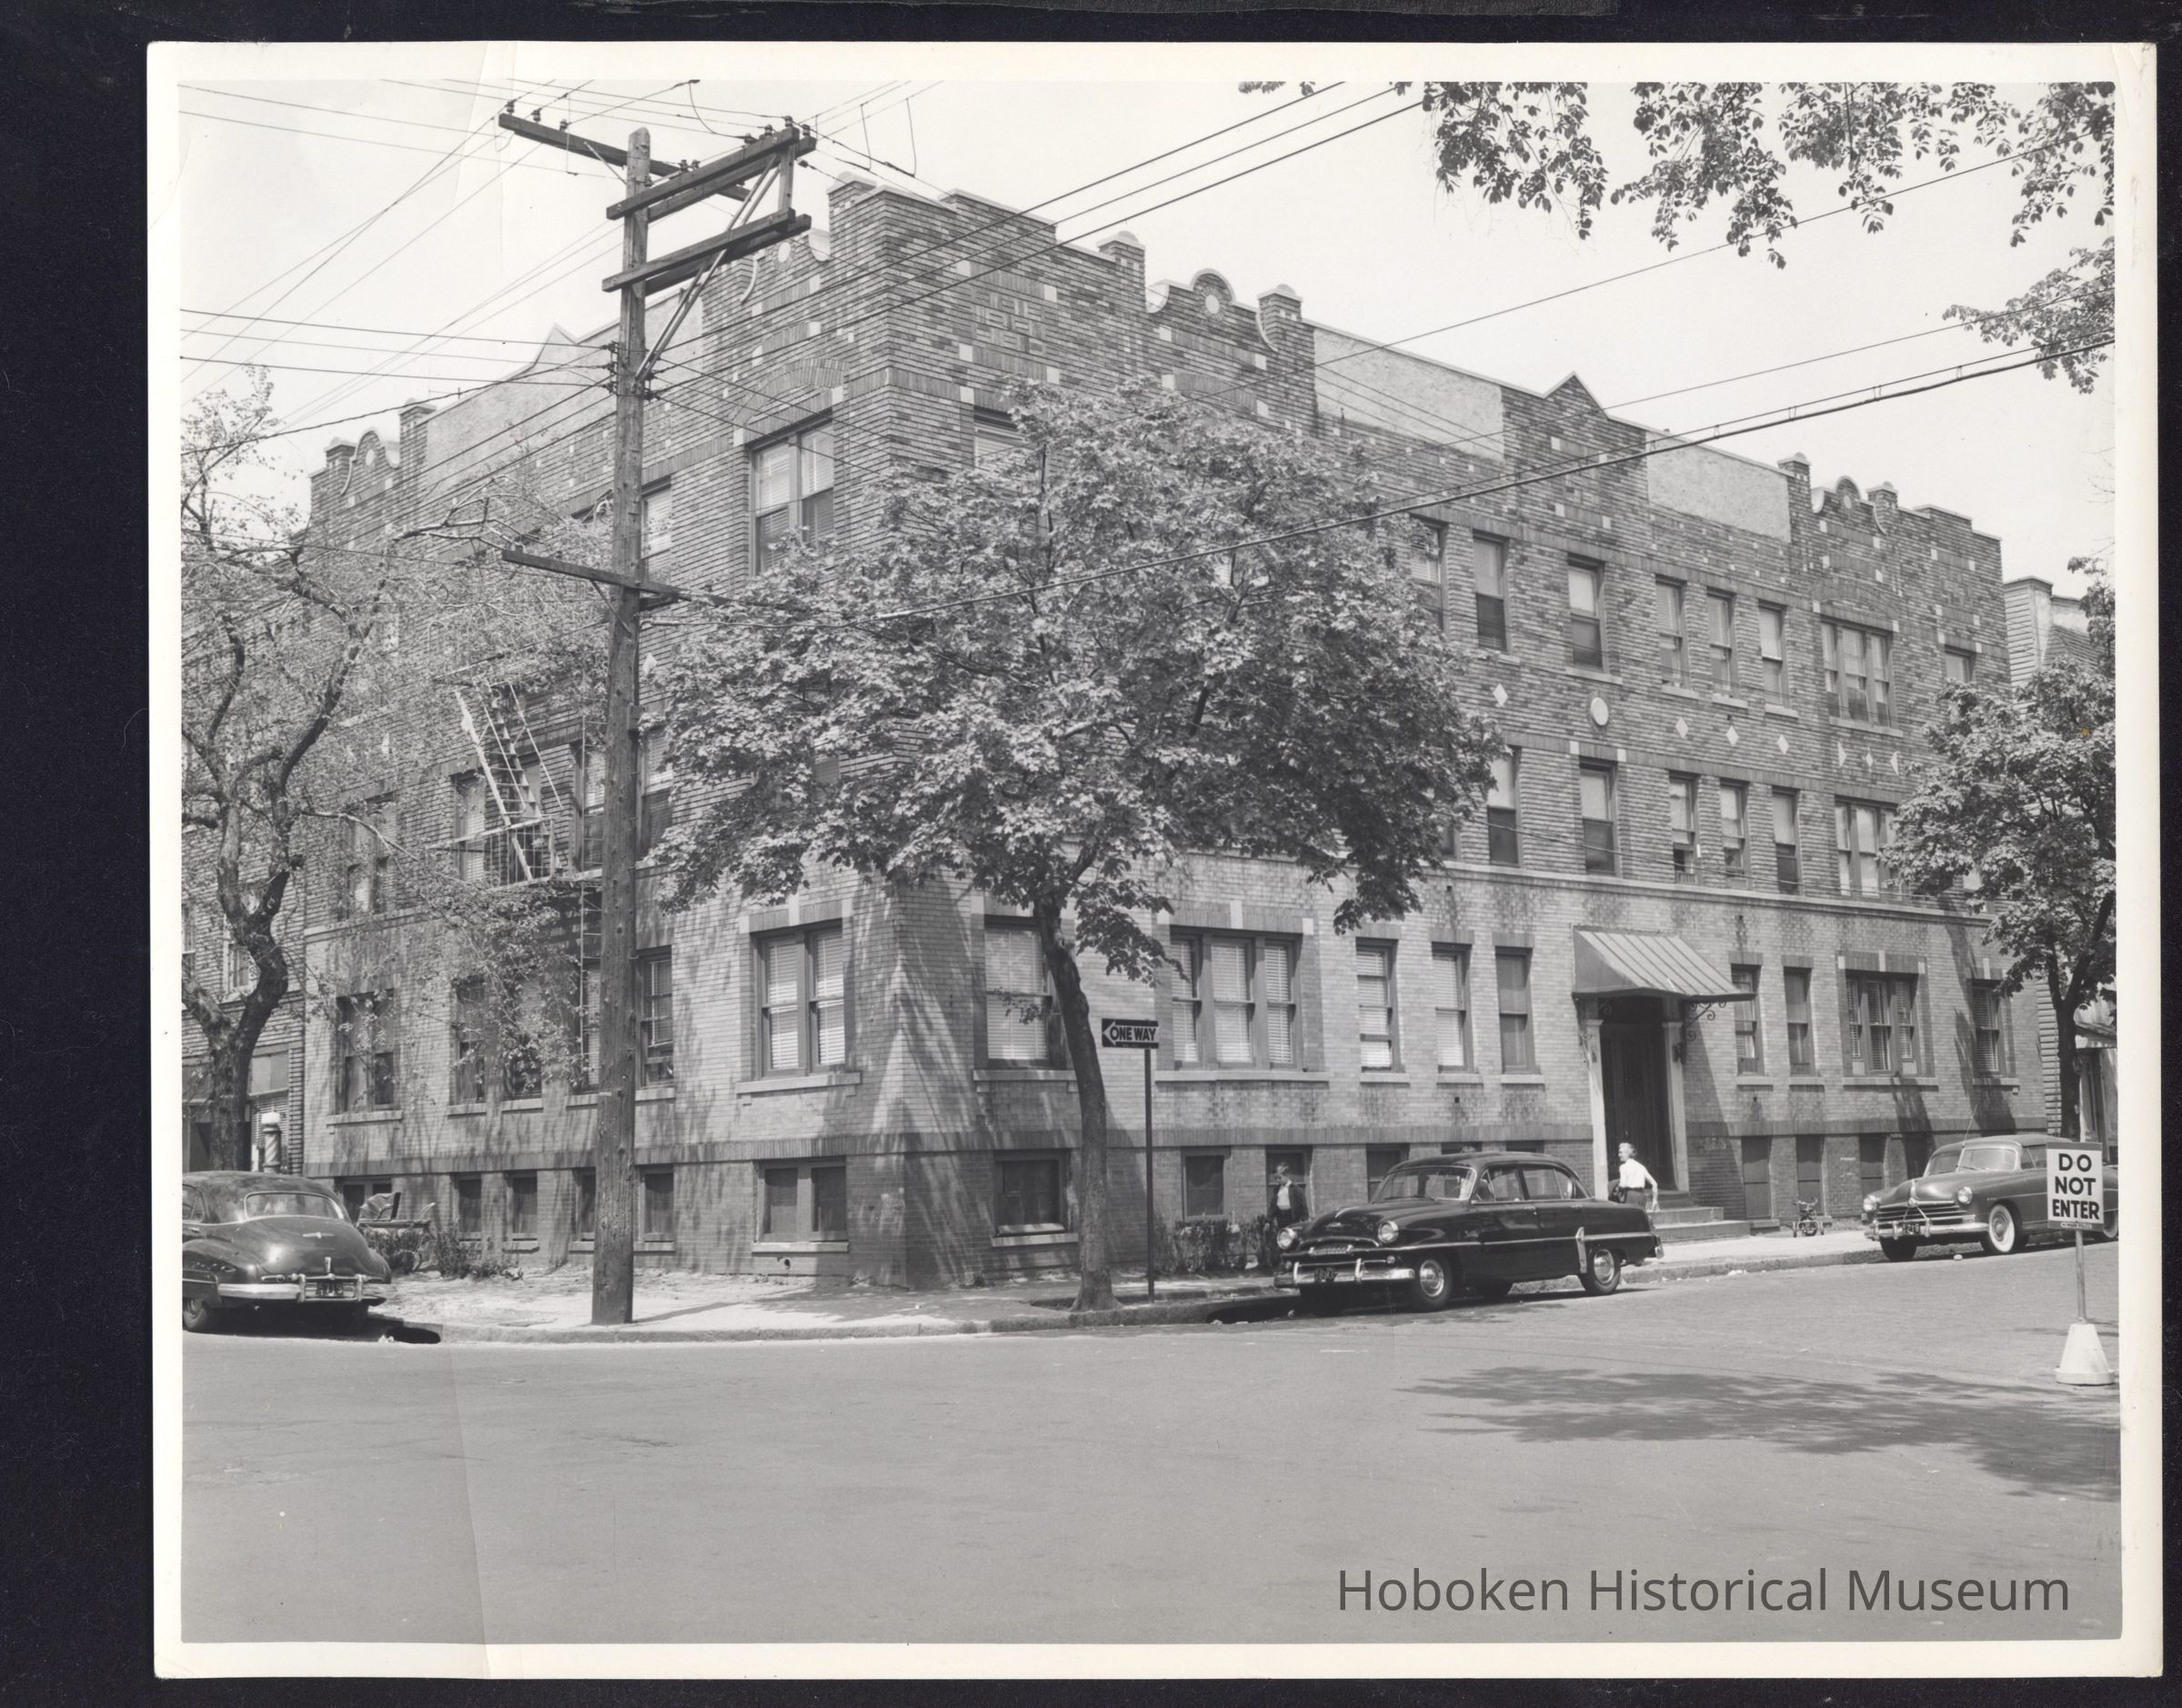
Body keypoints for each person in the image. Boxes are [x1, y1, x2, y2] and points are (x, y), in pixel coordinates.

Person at [1266, 1163, 1311, 1271]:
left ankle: (1293, 1266)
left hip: (1292, 1219)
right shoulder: (1277, 1190)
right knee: (1280, 1242)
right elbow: (1273, 1206)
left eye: (1279, 1178)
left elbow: (1303, 1207)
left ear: (1286, 1176)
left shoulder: (1296, 1190)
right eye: (1276, 1179)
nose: (1278, 1181)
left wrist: (1305, 1223)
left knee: (1291, 1242)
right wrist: (1268, 1221)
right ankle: (1281, 1267)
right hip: (1281, 1218)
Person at [1614, 1143, 1660, 1213]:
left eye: (1621, 1152)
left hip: (1630, 1197)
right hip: (1641, 1196)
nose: (1619, 1155)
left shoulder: (1623, 1167)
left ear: (1628, 1153)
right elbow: (1654, 1184)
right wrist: (1655, 1200)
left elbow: (1623, 1184)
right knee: (1641, 1219)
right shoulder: (1641, 1167)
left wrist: (1616, 1187)